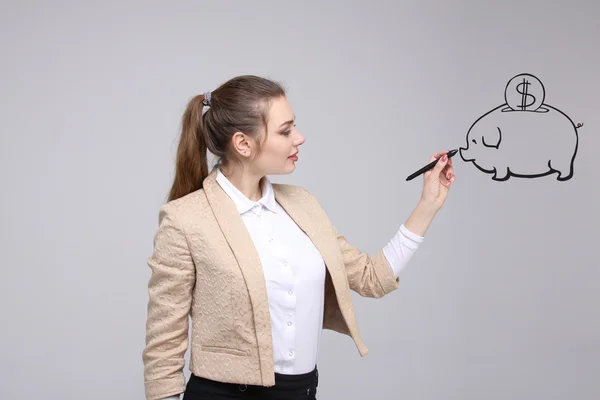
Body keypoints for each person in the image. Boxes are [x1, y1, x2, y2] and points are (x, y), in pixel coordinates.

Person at [142, 75, 455, 400]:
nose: (300, 138)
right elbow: (164, 345)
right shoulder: (185, 219)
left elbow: (371, 278)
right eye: (285, 130)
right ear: (243, 144)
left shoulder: (304, 205)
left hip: (301, 392)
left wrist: (428, 204)